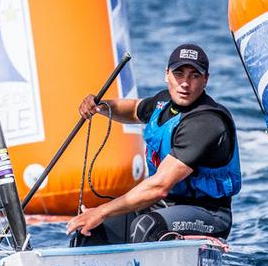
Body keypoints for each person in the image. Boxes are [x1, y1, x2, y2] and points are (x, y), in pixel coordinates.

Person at [66, 43, 241, 245]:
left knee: (146, 227)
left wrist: (102, 210)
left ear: (206, 80)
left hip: (208, 214)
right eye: (179, 74)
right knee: (90, 229)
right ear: (167, 74)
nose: (185, 83)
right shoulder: (163, 102)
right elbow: (133, 110)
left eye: (194, 76)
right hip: (163, 206)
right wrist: (101, 106)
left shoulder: (206, 122)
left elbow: (160, 186)